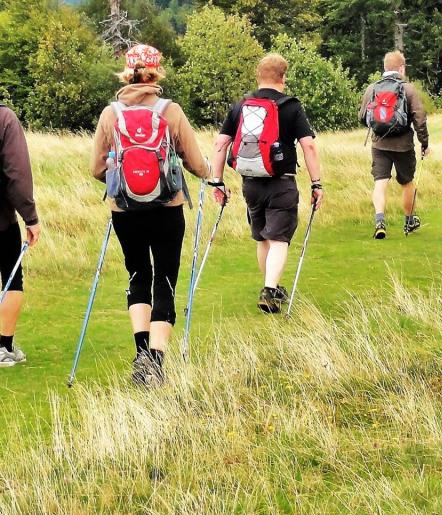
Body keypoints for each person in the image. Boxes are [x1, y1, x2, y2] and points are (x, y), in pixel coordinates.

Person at [91, 44, 212, 385]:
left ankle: (141, 353)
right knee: (165, 278)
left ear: (126, 73)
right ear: (156, 72)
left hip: (125, 210)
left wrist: (122, 182)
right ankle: (156, 362)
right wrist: (209, 175)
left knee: (137, 275)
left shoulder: (110, 114)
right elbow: (195, 162)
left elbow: (96, 168)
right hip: (167, 208)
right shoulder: (170, 111)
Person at [212, 53, 323, 313]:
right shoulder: (291, 106)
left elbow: (220, 143)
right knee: (279, 239)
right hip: (281, 183)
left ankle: (270, 285)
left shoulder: (241, 106)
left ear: (258, 76)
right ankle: (270, 290)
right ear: (283, 77)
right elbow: (308, 146)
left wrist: (217, 181)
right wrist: (316, 183)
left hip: (251, 183)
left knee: (263, 237)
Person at [359, 51, 428, 239]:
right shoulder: (408, 89)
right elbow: (419, 118)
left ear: (385, 67)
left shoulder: (372, 88)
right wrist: (424, 142)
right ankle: (409, 220)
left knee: (380, 183)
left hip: (379, 144)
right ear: (401, 68)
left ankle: (380, 221)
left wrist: (379, 127)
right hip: (403, 145)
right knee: (407, 182)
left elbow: (362, 116)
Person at [0, 105, 41, 367]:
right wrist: (31, 217)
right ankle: (3, 346)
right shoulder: (4, 118)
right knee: (11, 277)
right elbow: (17, 173)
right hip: (2, 221)